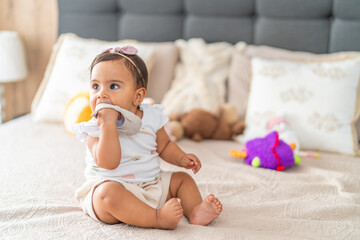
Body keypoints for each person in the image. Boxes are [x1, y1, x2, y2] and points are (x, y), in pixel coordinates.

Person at [73, 46, 222, 230]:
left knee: (182, 180)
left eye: (113, 86)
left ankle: (195, 211)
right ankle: (157, 218)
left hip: (151, 185)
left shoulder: (151, 117)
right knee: (107, 195)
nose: (101, 94)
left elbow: (165, 146)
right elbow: (108, 162)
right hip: (112, 187)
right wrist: (108, 125)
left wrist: (181, 158)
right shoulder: (94, 127)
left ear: (138, 96)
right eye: (95, 86)